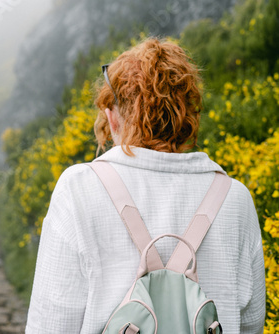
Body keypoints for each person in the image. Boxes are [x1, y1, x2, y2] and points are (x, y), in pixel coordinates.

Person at [25, 38, 265, 333]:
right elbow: (251, 323)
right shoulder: (235, 198)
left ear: (112, 118)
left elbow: (50, 325)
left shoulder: (78, 189)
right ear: (188, 116)